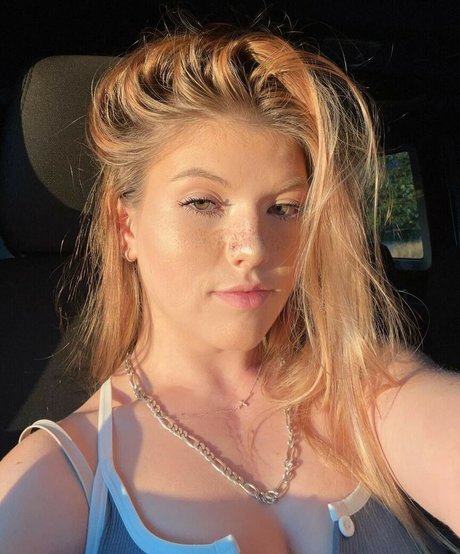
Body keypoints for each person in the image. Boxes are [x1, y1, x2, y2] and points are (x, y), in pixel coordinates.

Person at [0, 22, 459, 554]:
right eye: (203, 203)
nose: (254, 248)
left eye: (283, 208)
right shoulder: (53, 484)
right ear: (126, 227)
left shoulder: (370, 388)